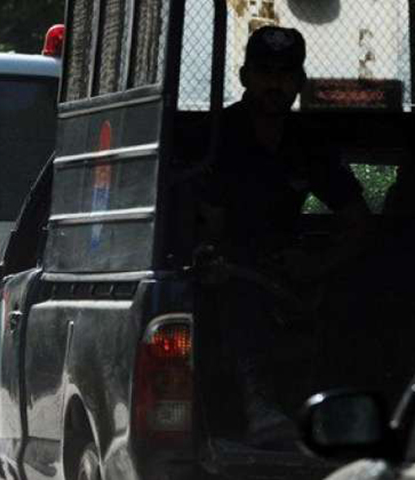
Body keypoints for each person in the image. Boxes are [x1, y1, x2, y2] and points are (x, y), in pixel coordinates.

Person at [199, 26, 372, 447]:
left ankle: (343, 411)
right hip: (229, 268)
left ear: (300, 82)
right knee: (238, 297)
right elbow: (205, 225)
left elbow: (357, 219)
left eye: (286, 73)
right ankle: (257, 404)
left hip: (291, 267)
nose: (275, 83)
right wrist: (209, 258)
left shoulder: (307, 142)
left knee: (357, 297)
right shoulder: (218, 137)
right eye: (265, 71)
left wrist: (318, 264)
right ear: (244, 77)